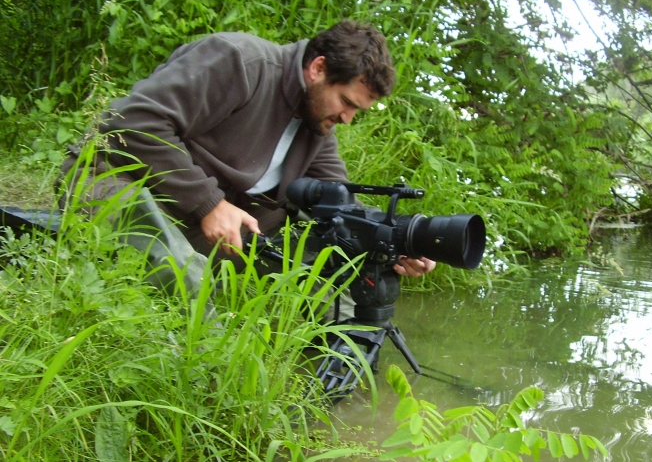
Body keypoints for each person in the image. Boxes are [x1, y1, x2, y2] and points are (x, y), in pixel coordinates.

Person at [60, 20, 435, 302]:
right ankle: (214, 373)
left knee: (328, 254)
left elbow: (338, 204)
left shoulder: (317, 126)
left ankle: (331, 367)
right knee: (180, 273)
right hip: (115, 177)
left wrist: (394, 238)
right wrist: (208, 203)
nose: (348, 118)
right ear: (318, 68)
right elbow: (131, 121)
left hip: (200, 215)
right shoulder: (240, 60)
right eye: (347, 102)